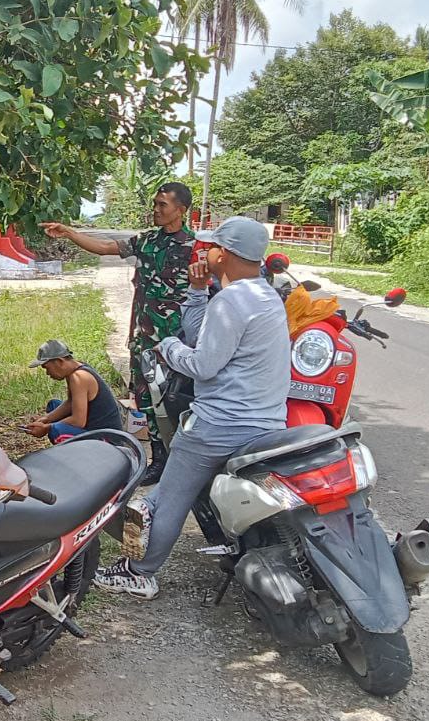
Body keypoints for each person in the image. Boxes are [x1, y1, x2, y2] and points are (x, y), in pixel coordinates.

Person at [94, 216, 290, 599]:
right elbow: (206, 338)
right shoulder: (266, 296)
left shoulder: (231, 300)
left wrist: (167, 346)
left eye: (212, 247)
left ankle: (141, 573)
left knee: (170, 496)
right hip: (267, 422)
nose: (205, 252)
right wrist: (198, 293)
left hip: (221, 424)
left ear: (225, 254)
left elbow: (202, 364)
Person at [41, 182, 195, 483]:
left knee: (177, 399)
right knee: (146, 399)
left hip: (178, 342)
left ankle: (182, 460)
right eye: (155, 203)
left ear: (181, 210)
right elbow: (104, 248)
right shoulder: (146, 241)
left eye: (162, 205)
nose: (155, 209)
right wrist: (70, 232)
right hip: (144, 338)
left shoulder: (196, 248)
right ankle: (158, 461)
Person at [25, 339, 123, 441]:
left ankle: (78, 451)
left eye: (47, 368)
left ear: (59, 361)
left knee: (56, 431)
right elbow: (70, 403)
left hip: (106, 439)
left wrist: (47, 428)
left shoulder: (78, 377)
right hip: (93, 427)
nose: (47, 373)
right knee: (53, 405)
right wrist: (46, 419)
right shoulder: (75, 369)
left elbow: (78, 421)